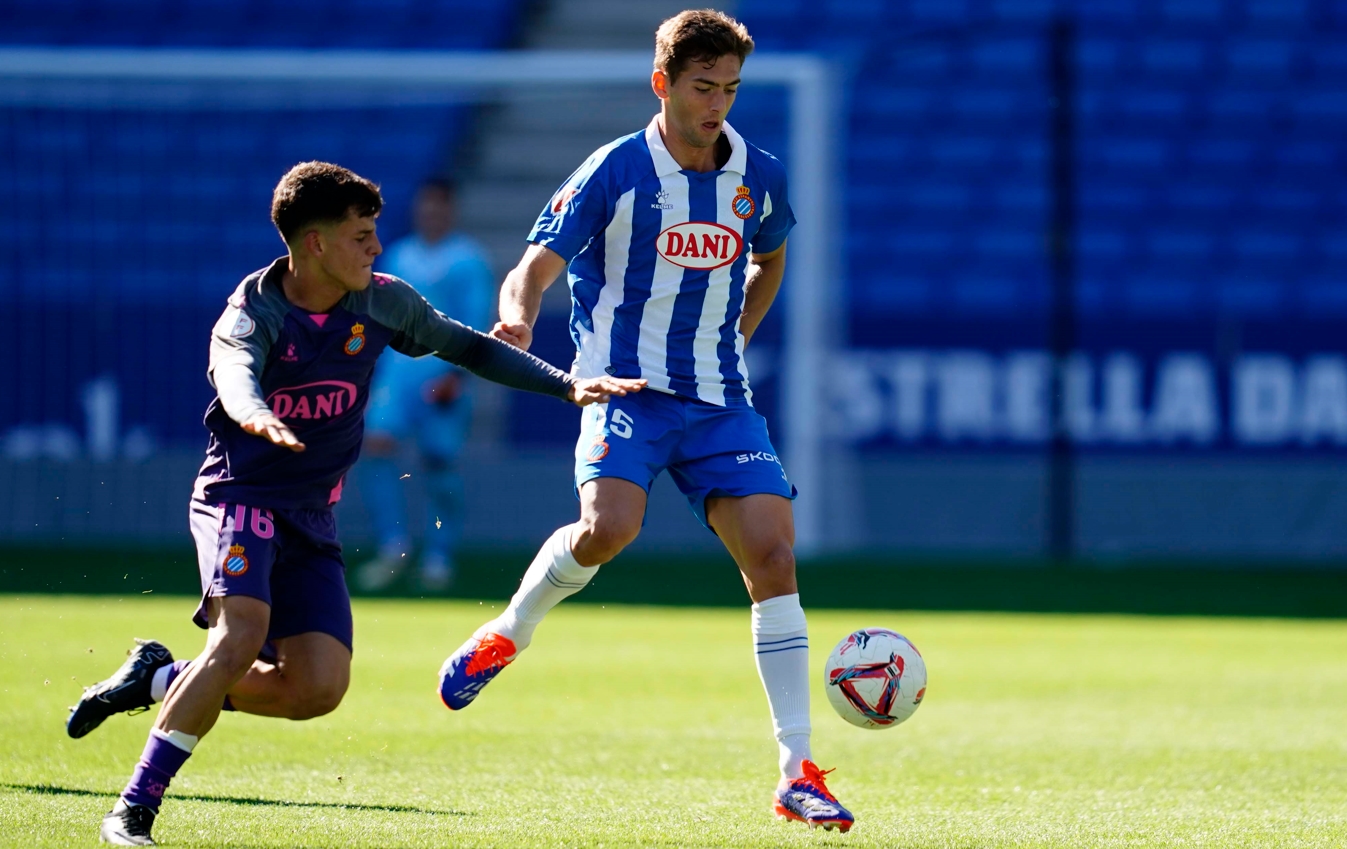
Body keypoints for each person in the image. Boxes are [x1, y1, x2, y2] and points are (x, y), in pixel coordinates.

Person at [66, 161, 644, 846]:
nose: (376, 247)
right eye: (362, 235)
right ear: (314, 243)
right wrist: (254, 415)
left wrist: (565, 386)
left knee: (316, 689)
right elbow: (233, 376)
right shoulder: (252, 312)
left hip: (309, 514)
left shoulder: (383, 301)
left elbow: (465, 347)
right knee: (241, 634)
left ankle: (158, 676)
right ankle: (132, 809)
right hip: (240, 496)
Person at [436, 10, 853, 833]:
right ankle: (507, 632)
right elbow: (535, 265)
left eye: (730, 88)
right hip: (624, 390)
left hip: (718, 399)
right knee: (607, 528)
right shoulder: (615, 170)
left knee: (773, 553)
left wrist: (738, 335)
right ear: (662, 83)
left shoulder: (755, 174)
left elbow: (770, 254)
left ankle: (795, 769)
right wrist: (516, 317)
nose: (718, 104)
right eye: (703, 87)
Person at [356, 177, 494, 592]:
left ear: (449, 210)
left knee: (438, 463)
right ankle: (393, 546)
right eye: (425, 206)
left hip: (441, 373)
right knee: (377, 445)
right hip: (397, 374)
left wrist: (457, 374)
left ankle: (439, 554)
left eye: (438, 206)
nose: (431, 214)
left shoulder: (468, 260)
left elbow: (476, 320)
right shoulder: (398, 255)